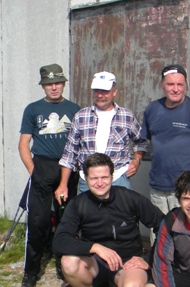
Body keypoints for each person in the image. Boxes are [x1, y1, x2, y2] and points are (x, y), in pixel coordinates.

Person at [53, 153, 164, 287]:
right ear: (85, 178)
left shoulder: (130, 198)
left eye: (104, 177)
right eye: (94, 178)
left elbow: (164, 227)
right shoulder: (78, 204)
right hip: (95, 262)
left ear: (112, 177)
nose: (100, 182)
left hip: (127, 261)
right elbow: (59, 241)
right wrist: (95, 248)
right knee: (68, 262)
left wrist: (149, 259)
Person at [18, 64, 80, 287]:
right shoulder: (33, 109)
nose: (54, 87)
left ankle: (64, 266)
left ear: (63, 84)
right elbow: (23, 144)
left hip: (68, 167)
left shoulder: (74, 109)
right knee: (38, 221)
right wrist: (34, 171)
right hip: (42, 166)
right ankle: (31, 271)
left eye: (57, 83)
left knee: (66, 220)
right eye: (49, 84)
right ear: (43, 86)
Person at [54, 71, 147, 203]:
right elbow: (69, 154)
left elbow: (141, 141)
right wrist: (63, 185)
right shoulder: (81, 116)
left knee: (123, 214)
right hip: (88, 181)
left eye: (104, 91)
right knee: (87, 215)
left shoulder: (126, 116)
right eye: (96, 91)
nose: (100, 95)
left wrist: (136, 160)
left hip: (118, 179)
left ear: (114, 92)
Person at [136, 64, 190, 215]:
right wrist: (136, 160)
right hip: (158, 185)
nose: (175, 89)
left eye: (180, 84)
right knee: (160, 227)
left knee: (185, 227)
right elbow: (143, 140)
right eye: (170, 84)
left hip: (187, 188)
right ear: (162, 85)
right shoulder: (152, 109)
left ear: (186, 85)